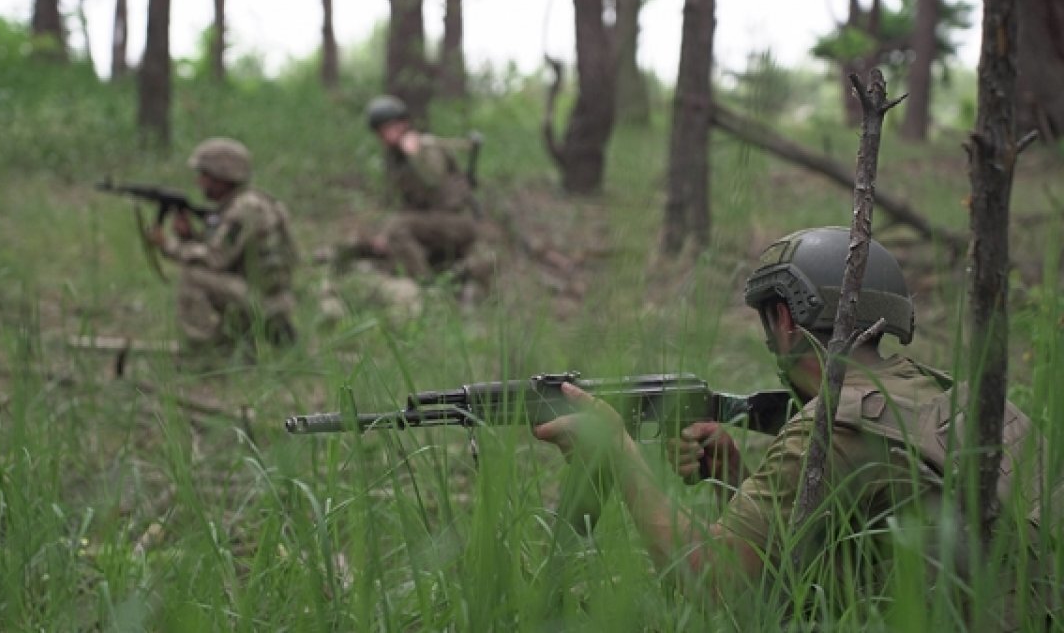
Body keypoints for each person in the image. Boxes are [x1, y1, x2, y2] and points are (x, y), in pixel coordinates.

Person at [533, 226, 1053, 626]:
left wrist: (620, 452)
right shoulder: (945, 394)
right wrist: (734, 479)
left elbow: (714, 582)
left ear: (785, 319)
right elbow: (832, 552)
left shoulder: (831, 428)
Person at [147, 137, 298, 353]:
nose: (199, 183)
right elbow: (231, 255)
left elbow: (215, 259)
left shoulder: (244, 210)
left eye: (205, 176)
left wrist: (168, 245)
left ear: (222, 177)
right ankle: (238, 343)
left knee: (194, 276)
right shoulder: (255, 202)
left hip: (264, 302)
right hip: (272, 298)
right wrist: (190, 237)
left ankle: (207, 353)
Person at [358, 95, 486, 285]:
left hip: (458, 221)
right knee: (388, 231)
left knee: (398, 226)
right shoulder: (396, 158)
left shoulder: (427, 147)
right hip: (435, 221)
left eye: (389, 128)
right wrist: (384, 233)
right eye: (381, 131)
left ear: (403, 124)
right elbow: (409, 204)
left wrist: (415, 154)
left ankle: (424, 286)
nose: (385, 135)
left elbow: (433, 181)